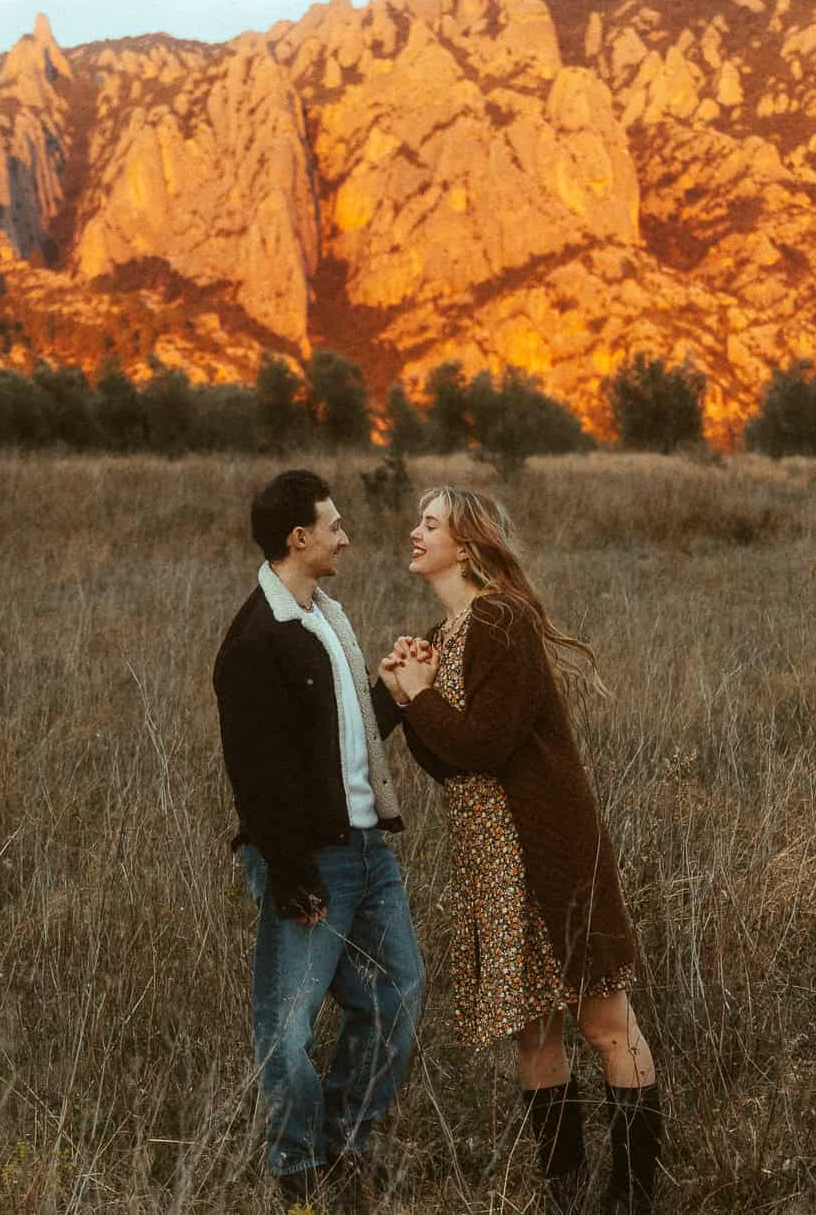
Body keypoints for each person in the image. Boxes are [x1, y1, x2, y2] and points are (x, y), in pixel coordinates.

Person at [379, 486, 664, 1215]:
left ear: (466, 545)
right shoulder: (443, 633)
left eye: (430, 523)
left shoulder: (501, 619)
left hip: (549, 853)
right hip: (491, 862)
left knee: (604, 1022)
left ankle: (633, 1195)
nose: (414, 532)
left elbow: (485, 743)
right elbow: (449, 761)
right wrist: (404, 688)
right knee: (531, 1030)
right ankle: (565, 1192)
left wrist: (416, 697)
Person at [213, 469, 424, 1213]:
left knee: (398, 995)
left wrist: (393, 694)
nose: (345, 536)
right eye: (333, 525)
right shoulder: (254, 642)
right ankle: (298, 1167)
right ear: (298, 538)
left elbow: (343, 740)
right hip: (314, 862)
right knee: (287, 1026)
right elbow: (259, 776)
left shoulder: (326, 617)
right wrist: (293, 873)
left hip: (371, 851)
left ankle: (349, 1140)